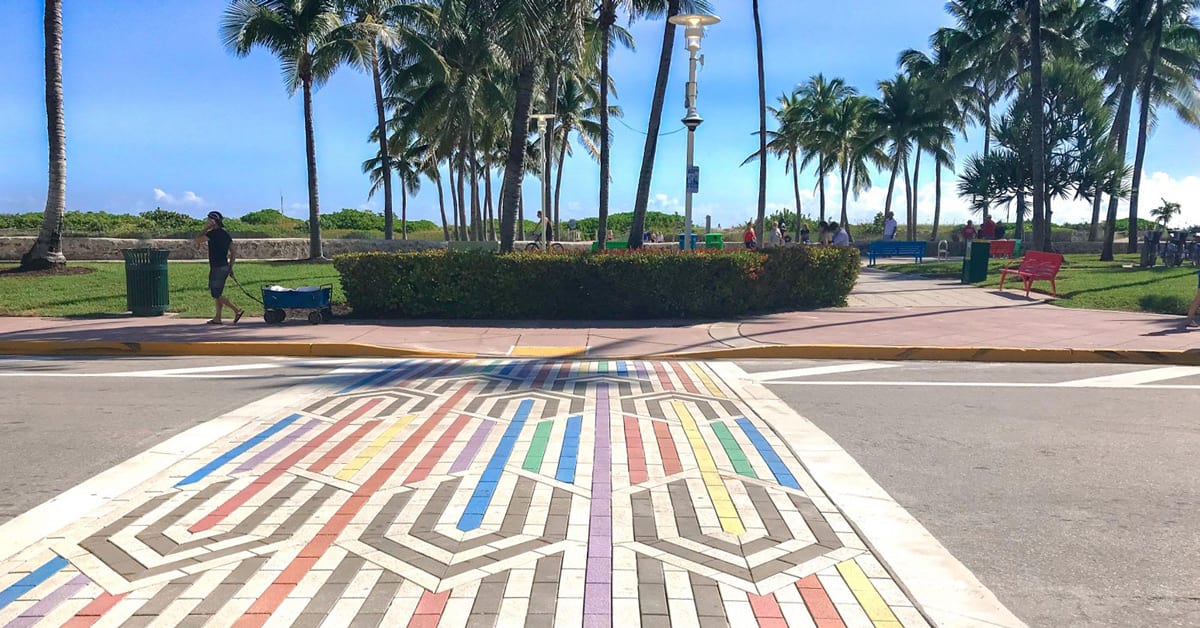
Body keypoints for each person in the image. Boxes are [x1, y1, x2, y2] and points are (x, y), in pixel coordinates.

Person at [193, 211, 243, 325]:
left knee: (215, 294)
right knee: (217, 293)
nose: (206, 221)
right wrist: (230, 267)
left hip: (217, 268)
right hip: (224, 267)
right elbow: (233, 252)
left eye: (208, 220)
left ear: (213, 221)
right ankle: (218, 318)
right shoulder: (226, 234)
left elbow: (197, 240)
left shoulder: (212, 234)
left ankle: (236, 310)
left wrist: (206, 228)